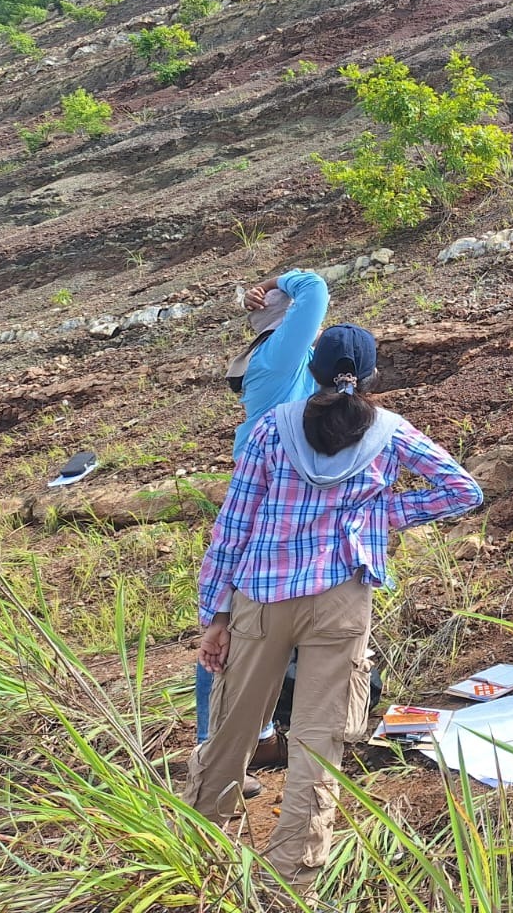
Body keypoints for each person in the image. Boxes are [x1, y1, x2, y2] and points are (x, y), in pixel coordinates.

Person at [185, 324, 483, 893]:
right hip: (342, 597)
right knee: (319, 740)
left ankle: (198, 848)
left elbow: (234, 525)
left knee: (233, 727)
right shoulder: (392, 432)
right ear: (370, 377)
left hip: (262, 594)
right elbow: (462, 489)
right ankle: (291, 880)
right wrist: (378, 518)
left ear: (313, 371)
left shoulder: (272, 428)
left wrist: (214, 615)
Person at [195, 269, 332, 784]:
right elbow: (315, 288)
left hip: (278, 493)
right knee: (234, 617)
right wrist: (278, 279)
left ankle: (256, 738)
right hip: (269, 498)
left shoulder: (281, 366)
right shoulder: (280, 355)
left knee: (263, 615)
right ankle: (214, 747)